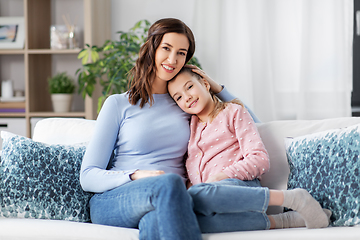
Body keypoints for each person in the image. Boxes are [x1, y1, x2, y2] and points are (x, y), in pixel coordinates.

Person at [80, 18, 256, 240]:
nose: (172, 59)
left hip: (171, 200)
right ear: (152, 48)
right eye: (166, 48)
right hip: (116, 199)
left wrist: (215, 86)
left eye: (181, 53)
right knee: (169, 183)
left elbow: (254, 125)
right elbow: (88, 176)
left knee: (154, 223)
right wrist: (135, 175)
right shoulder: (118, 104)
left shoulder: (185, 104)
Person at [167, 66, 332, 233]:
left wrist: (220, 177)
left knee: (199, 195)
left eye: (189, 87)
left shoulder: (233, 112)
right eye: (178, 97)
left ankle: (293, 198)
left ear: (205, 84)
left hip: (240, 188)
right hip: (211, 204)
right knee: (189, 222)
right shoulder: (190, 129)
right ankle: (285, 220)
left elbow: (259, 159)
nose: (186, 97)